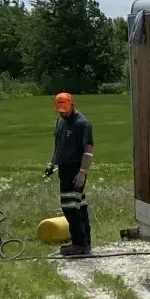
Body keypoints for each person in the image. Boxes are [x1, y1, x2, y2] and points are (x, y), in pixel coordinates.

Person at [45, 91, 95, 255]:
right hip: (64, 168)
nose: (63, 113)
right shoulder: (60, 122)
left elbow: (88, 151)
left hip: (76, 168)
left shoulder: (83, 124)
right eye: (60, 111)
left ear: (72, 105)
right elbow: (59, 145)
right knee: (79, 206)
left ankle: (80, 244)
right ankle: (84, 243)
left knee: (70, 207)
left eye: (66, 110)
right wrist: (52, 163)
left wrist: (82, 173)